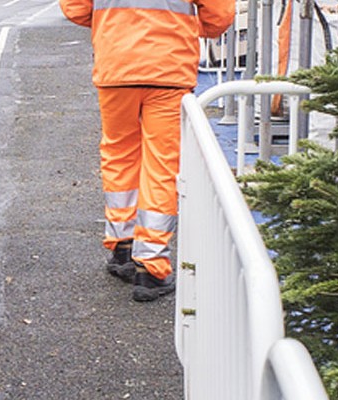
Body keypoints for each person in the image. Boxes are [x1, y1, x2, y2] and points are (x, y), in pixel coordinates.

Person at [59, 0, 233, 302]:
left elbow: (74, 8)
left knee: (118, 154)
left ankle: (122, 245)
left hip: (116, 64)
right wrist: (181, 28)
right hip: (168, 69)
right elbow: (220, 16)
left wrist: (117, 26)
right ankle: (151, 267)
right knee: (162, 165)